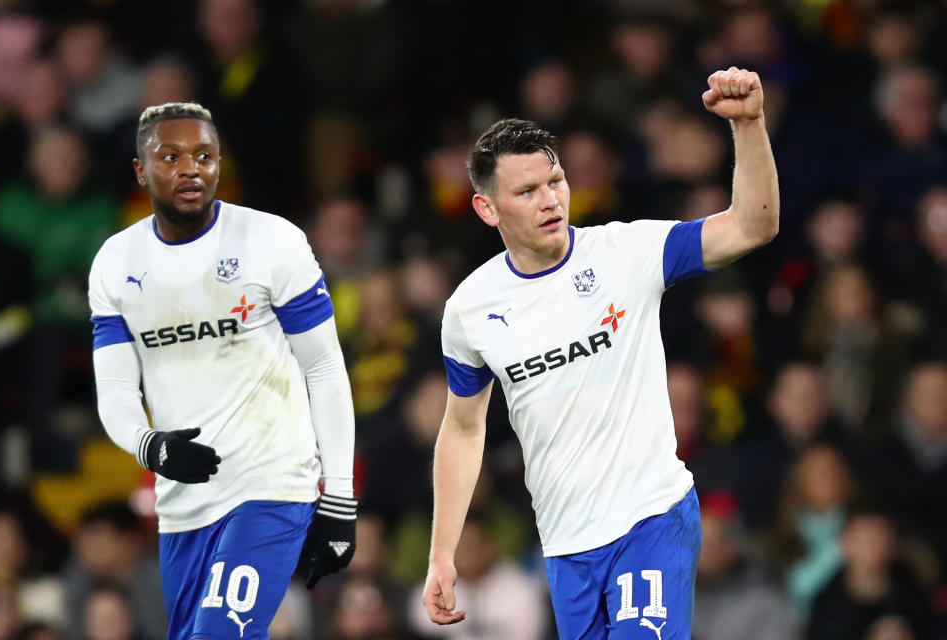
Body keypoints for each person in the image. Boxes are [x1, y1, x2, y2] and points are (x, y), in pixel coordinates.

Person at [422, 67, 779, 639]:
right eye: (526, 191)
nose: (550, 200)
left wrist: (749, 125)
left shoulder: (626, 252)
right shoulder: (470, 310)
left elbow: (753, 226)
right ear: (487, 209)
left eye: (555, 181)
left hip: (652, 517)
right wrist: (443, 553)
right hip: (566, 546)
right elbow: (463, 429)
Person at [87, 102, 356, 640]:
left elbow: (324, 366)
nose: (191, 169)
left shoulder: (271, 241)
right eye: (171, 156)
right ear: (141, 171)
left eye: (205, 156)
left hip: (272, 484)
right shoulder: (116, 262)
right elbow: (116, 389)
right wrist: (152, 447)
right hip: (182, 505)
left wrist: (340, 497)